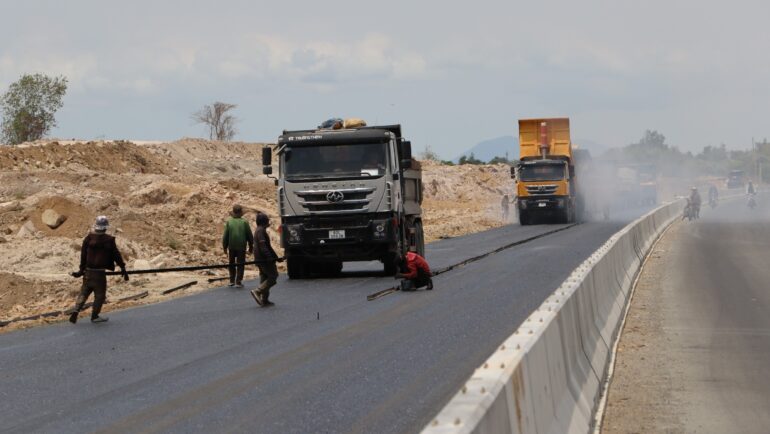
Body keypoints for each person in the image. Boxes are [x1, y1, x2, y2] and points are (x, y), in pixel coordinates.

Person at [69, 216, 128, 324]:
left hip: (88, 272)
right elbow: (116, 255)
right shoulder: (109, 240)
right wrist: (123, 267)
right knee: (100, 295)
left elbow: (83, 255)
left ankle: (76, 309)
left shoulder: (88, 238)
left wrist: (81, 270)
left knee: (84, 292)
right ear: (105, 228)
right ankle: (95, 316)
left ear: (96, 226)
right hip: (99, 274)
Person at [250, 212, 281, 307]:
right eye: (267, 220)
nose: (269, 222)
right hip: (263, 259)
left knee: (264, 278)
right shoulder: (260, 231)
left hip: (260, 259)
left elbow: (268, 247)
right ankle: (257, 291)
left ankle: (264, 300)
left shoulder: (260, 230)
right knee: (273, 277)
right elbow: (264, 247)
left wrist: (276, 258)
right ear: (264, 222)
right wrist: (269, 258)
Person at [222, 204, 253, 288]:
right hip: (241, 247)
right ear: (241, 213)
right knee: (240, 264)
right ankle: (238, 281)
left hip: (231, 246)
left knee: (231, 263)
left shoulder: (229, 222)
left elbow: (225, 236)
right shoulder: (244, 222)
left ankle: (232, 280)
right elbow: (250, 236)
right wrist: (250, 247)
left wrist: (224, 247)